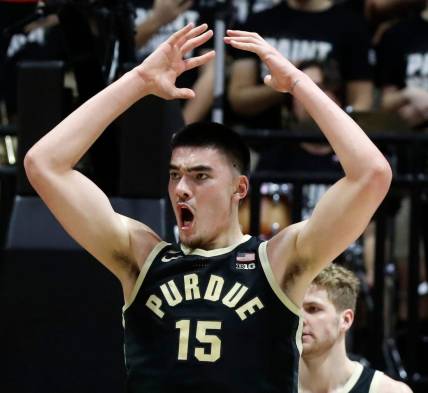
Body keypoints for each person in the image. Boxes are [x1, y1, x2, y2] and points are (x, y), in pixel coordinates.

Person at [24, 24, 392, 392]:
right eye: (175, 175)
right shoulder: (142, 257)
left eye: (200, 176)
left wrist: (297, 83)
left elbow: (371, 175)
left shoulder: (277, 262)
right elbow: (44, 164)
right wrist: (138, 80)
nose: (182, 188)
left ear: (239, 188)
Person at [228, 0, 374, 130]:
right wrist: (291, 82)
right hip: (266, 140)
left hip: (328, 141)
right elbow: (238, 99)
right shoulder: (258, 22)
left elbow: (362, 101)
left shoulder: (351, 25)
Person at [300, 263, 413, 393]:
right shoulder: (275, 383)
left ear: (346, 320)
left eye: (313, 309)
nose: (299, 319)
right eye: (295, 310)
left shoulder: (389, 391)